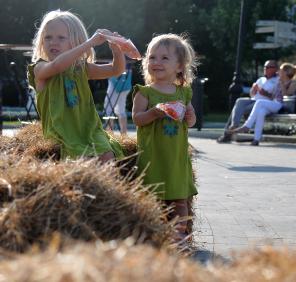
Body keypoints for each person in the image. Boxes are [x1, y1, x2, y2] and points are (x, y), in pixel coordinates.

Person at [27, 10, 124, 162]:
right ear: (41, 42)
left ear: (75, 41)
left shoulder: (80, 69)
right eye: (48, 37)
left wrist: (117, 50)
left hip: (89, 129)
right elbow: (58, 66)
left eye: (61, 38)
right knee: (83, 162)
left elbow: (115, 70)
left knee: (108, 156)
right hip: (61, 133)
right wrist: (90, 43)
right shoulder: (39, 69)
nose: (53, 42)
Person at [132, 34, 198, 243]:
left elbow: (190, 120)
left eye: (164, 58)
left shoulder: (183, 93)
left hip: (176, 157)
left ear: (179, 66)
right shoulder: (144, 93)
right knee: (153, 197)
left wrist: (190, 116)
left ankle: (180, 234)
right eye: (152, 57)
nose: (156, 62)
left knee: (180, 199)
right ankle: (154, 233)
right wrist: (153, 113)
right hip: (153, 156)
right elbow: (137, 119)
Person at [230, 62, 296, 146]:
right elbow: (274, 95)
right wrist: (258, 89)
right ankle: (256, 140)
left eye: (280, 71)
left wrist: (281, 83)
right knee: (261, 112)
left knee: (259, 102)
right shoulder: (278, 81)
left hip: (281, 105)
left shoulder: (292, 83)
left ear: (285, 72)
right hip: (273, 103)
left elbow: (286, 94)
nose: (278, 72)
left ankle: (247, 125)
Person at [216, 60, 279, 143]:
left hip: (263, 103)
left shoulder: (277, 81)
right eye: (265, 67)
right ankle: (234, 125)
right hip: (254, 100)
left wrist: (264, 92)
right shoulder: (261, 79)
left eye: (268, 67)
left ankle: (227, 134)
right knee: (239, 101)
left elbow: (275, 97)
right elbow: (252, 95)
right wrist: (253, 90)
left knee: (235, 111)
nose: (265, 69)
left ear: (275, 69)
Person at [104, 65, 132, 135]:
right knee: (121, 110)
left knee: (108, 109)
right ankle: (124, 134)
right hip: (125, 85)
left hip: (115, 85)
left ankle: (110, 134)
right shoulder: (127, 58)